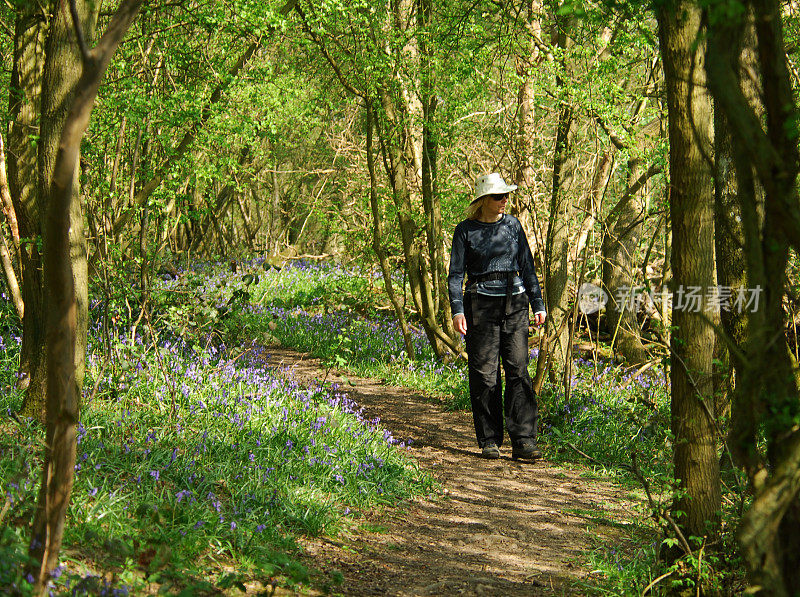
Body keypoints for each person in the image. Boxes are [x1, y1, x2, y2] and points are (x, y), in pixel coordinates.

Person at [447, 173, 547, 461]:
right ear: (483, 200)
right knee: (484, 374)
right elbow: (455, 275)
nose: (505, 201)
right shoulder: (465, 231)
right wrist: (457, 310)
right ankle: (489, 439)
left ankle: (524, 440)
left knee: (518, 368)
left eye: (506, 196)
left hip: (515, 303)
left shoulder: (514, 226)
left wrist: (538, 303)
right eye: (499, 196)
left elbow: (527, 266)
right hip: (479, 304)